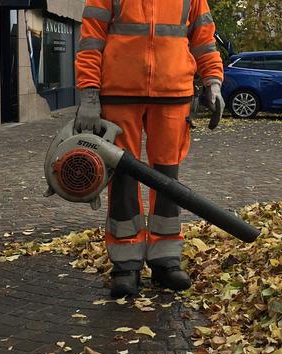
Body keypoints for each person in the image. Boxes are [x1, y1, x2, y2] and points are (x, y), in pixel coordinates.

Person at [74, 0, 225, 298]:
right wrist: (90, 94)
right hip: (118, 91)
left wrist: (213, 82)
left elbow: (204, 40)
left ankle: (165, 259)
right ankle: (125, 264)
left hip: (173, 91)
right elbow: (91, 38)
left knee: (168, 176)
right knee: (123, 176)